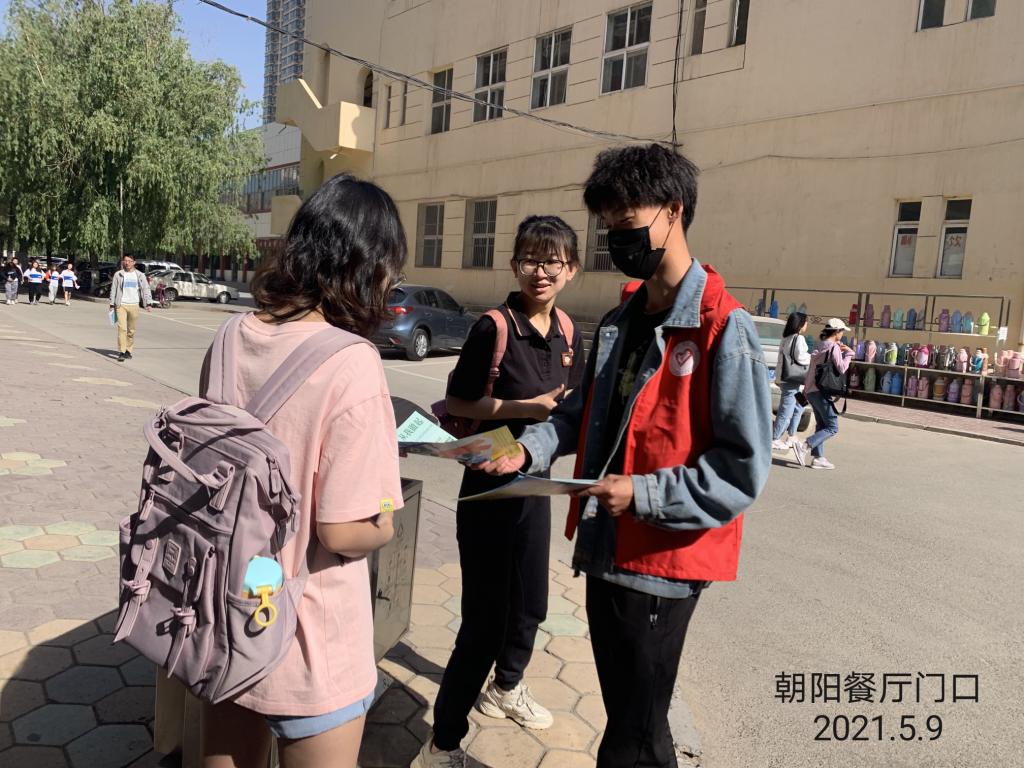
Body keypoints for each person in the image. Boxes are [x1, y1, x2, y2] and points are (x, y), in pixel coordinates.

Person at [475, 144, 772, 768]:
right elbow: (578, 415)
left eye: (627, 222)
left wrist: (642, 492)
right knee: (633, 722)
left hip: (662, 563)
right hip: (606, 550)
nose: (617, 238)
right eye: (608, 225)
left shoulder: (722, 327)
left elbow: (742, 468)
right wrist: (523, 451)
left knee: (635, 735)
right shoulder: (619, 321)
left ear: (673, 211)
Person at [197, 173, 406, 768]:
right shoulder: (353, 361)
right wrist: (385, 520)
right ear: (367, 266)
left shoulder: (230, 337)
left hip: (226, 614)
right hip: (308, 636)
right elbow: (343, 531)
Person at [414, 216, 584, 768]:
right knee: (484, 620)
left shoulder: (568, 332)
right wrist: (525, 409)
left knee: (531, 603)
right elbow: (458, 403)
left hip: (534, 484)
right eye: (531, 259)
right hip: (487, 485)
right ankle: (443, 740)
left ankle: (506, 687)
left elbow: (573, 407)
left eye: (553, 261)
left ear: (571, 270)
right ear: (514, 265)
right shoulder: (494, 327)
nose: (541, 271)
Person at [792, 319, 854, 470]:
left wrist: (805, 391)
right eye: (842, 331)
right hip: (822, 391)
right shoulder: (833, 347)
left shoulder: (820, 345)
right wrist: (849, 353)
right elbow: (841, 368)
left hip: (812, 390)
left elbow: (811, 370)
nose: (842, 334)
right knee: (832, 427)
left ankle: (818, 458)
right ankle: (805, 445)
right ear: (836, 331)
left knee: (821, 425)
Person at [771, 311, 810, 451]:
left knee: (800, 404)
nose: (807, 325)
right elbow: (801, 358)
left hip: (788, 379)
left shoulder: (786, 338)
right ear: (800, 324)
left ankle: (792, 435)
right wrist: (812, 358)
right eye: (805, 322)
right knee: (786, 410)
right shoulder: (799, 338)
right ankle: (775, 438)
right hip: (792, 381)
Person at [109, 255, 153, 361]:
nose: (127, 263)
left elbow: (145, 289)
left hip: (134, 305)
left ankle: (128, 350)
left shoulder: (140, 275)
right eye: (125, 261)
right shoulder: (118, 274)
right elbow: (113, 289)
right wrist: (112, 303)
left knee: (131, 330)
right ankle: (121, 351)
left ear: (134, 262)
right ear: (123, 262)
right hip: (121, 305)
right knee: (122, 329)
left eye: (129, 261)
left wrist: (148, 303)